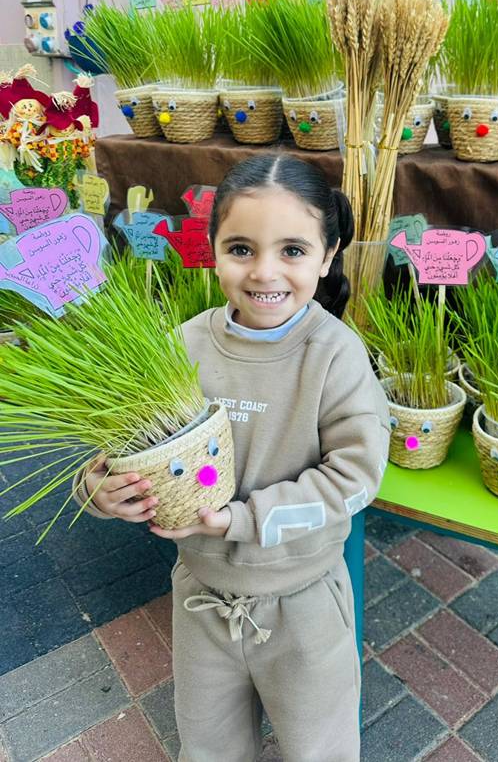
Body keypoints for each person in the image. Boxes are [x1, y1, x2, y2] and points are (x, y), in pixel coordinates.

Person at [75, 154, 390, 762]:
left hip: (302, 605)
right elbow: (122, 445)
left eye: (293, 250)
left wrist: (241, 520)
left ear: (327, 256)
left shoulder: (335, 355)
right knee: (208, 745)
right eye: (241, 248)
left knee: (319, 748)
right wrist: (100, 489)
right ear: (212, 251)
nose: (265, 271)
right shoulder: (184, 343)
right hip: (201, 597)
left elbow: (356, 478)